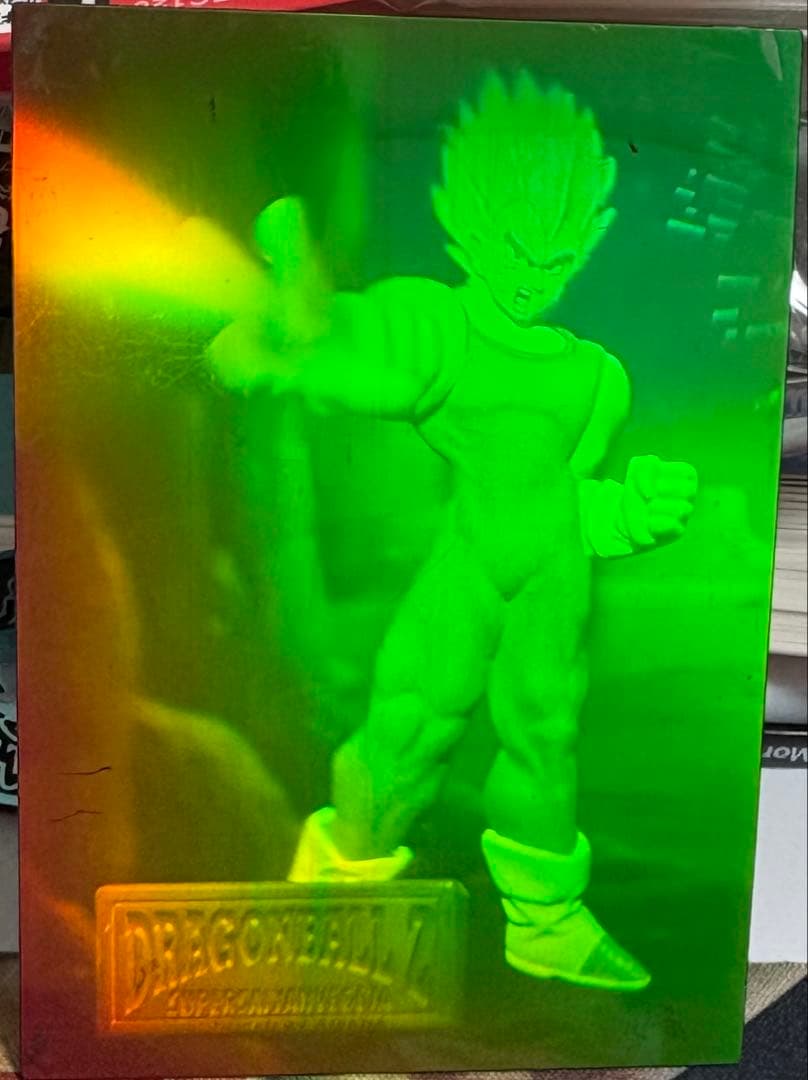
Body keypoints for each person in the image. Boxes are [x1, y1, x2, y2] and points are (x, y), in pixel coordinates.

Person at [208, 70, 698, 992]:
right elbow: (372, 352)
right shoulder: (442, 323)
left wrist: (633, 513)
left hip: (551, 583)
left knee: (545, 739)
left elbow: (571, 496)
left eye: (559, 256)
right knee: (410, 728)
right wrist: (300, 331)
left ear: (589, 237)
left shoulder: (597, 376)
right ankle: (332, 893)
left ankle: (545, 921)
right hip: (467, 575)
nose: (536, 275)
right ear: (464, 218)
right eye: (517, 248)